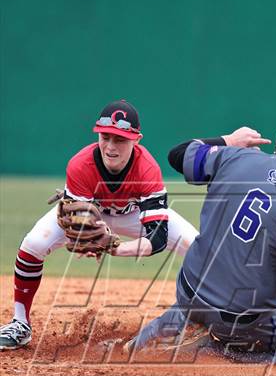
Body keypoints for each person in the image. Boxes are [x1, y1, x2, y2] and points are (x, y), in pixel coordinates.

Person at [126, 111, 276, 376]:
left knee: (194, 304)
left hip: (189, 293)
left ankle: (163, 330)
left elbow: (178, 154)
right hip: (241, 321)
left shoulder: (234, 157)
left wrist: (228, 140)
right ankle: (213, 353)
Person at [0, 99, 198, 350]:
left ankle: (198, 323)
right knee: (33, 244)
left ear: (137, 139)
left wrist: (117, 248)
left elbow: (157, 237)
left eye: (120, 139)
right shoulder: (80, 164)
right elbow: (76, 222)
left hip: (134, 214)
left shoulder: (148, 170)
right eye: (106, 137)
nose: (111, 146)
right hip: (94, 214)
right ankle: (20, 323)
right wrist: (86, 239)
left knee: (199, 248)